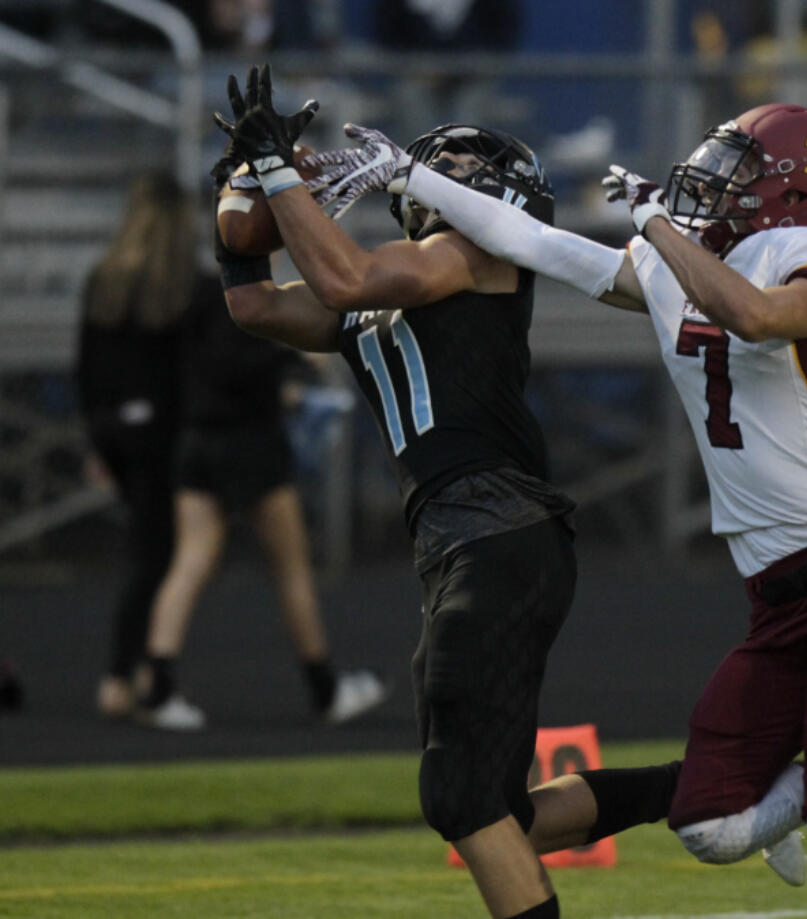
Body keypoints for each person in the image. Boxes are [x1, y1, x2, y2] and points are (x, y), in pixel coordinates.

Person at [308, 99, 807, 916]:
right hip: (775, 593)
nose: (716, 186)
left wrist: (657, 228)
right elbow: (536, 243)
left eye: (741, 174)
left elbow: (755, 316)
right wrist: (412, 173)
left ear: (796, 190)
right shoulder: (672, 264)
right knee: (711, 826)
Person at [212, 65, 580, 919]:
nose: (446, 166)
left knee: (461, 795)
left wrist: (276, 177)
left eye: (463, 162)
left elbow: (344, 281)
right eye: (439, 156)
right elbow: (255, 301)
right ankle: (710, 788)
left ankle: (724, 786)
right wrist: (244, 181)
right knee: (494, 802)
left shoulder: (476, 253)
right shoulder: (389, 276)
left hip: (501, 532)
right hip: (463, 546)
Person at [135, 193, 388, 732]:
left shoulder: (194, 289)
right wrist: (286, 369)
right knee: (291, 568)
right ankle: (326, 690)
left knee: (191, 561)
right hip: (247, 441)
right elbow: (237, 360)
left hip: (197, 439)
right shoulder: (241, 295)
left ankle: (155, 685)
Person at [76, 171, 192, 719]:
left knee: (148, 554)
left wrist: (97, 441)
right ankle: (125, 676)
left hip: (111, 428)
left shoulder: (105, 277)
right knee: (155, 558)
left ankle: (139, 669)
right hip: (160, 437)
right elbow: (185, 377)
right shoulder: (180, 282)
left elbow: (86, 367)